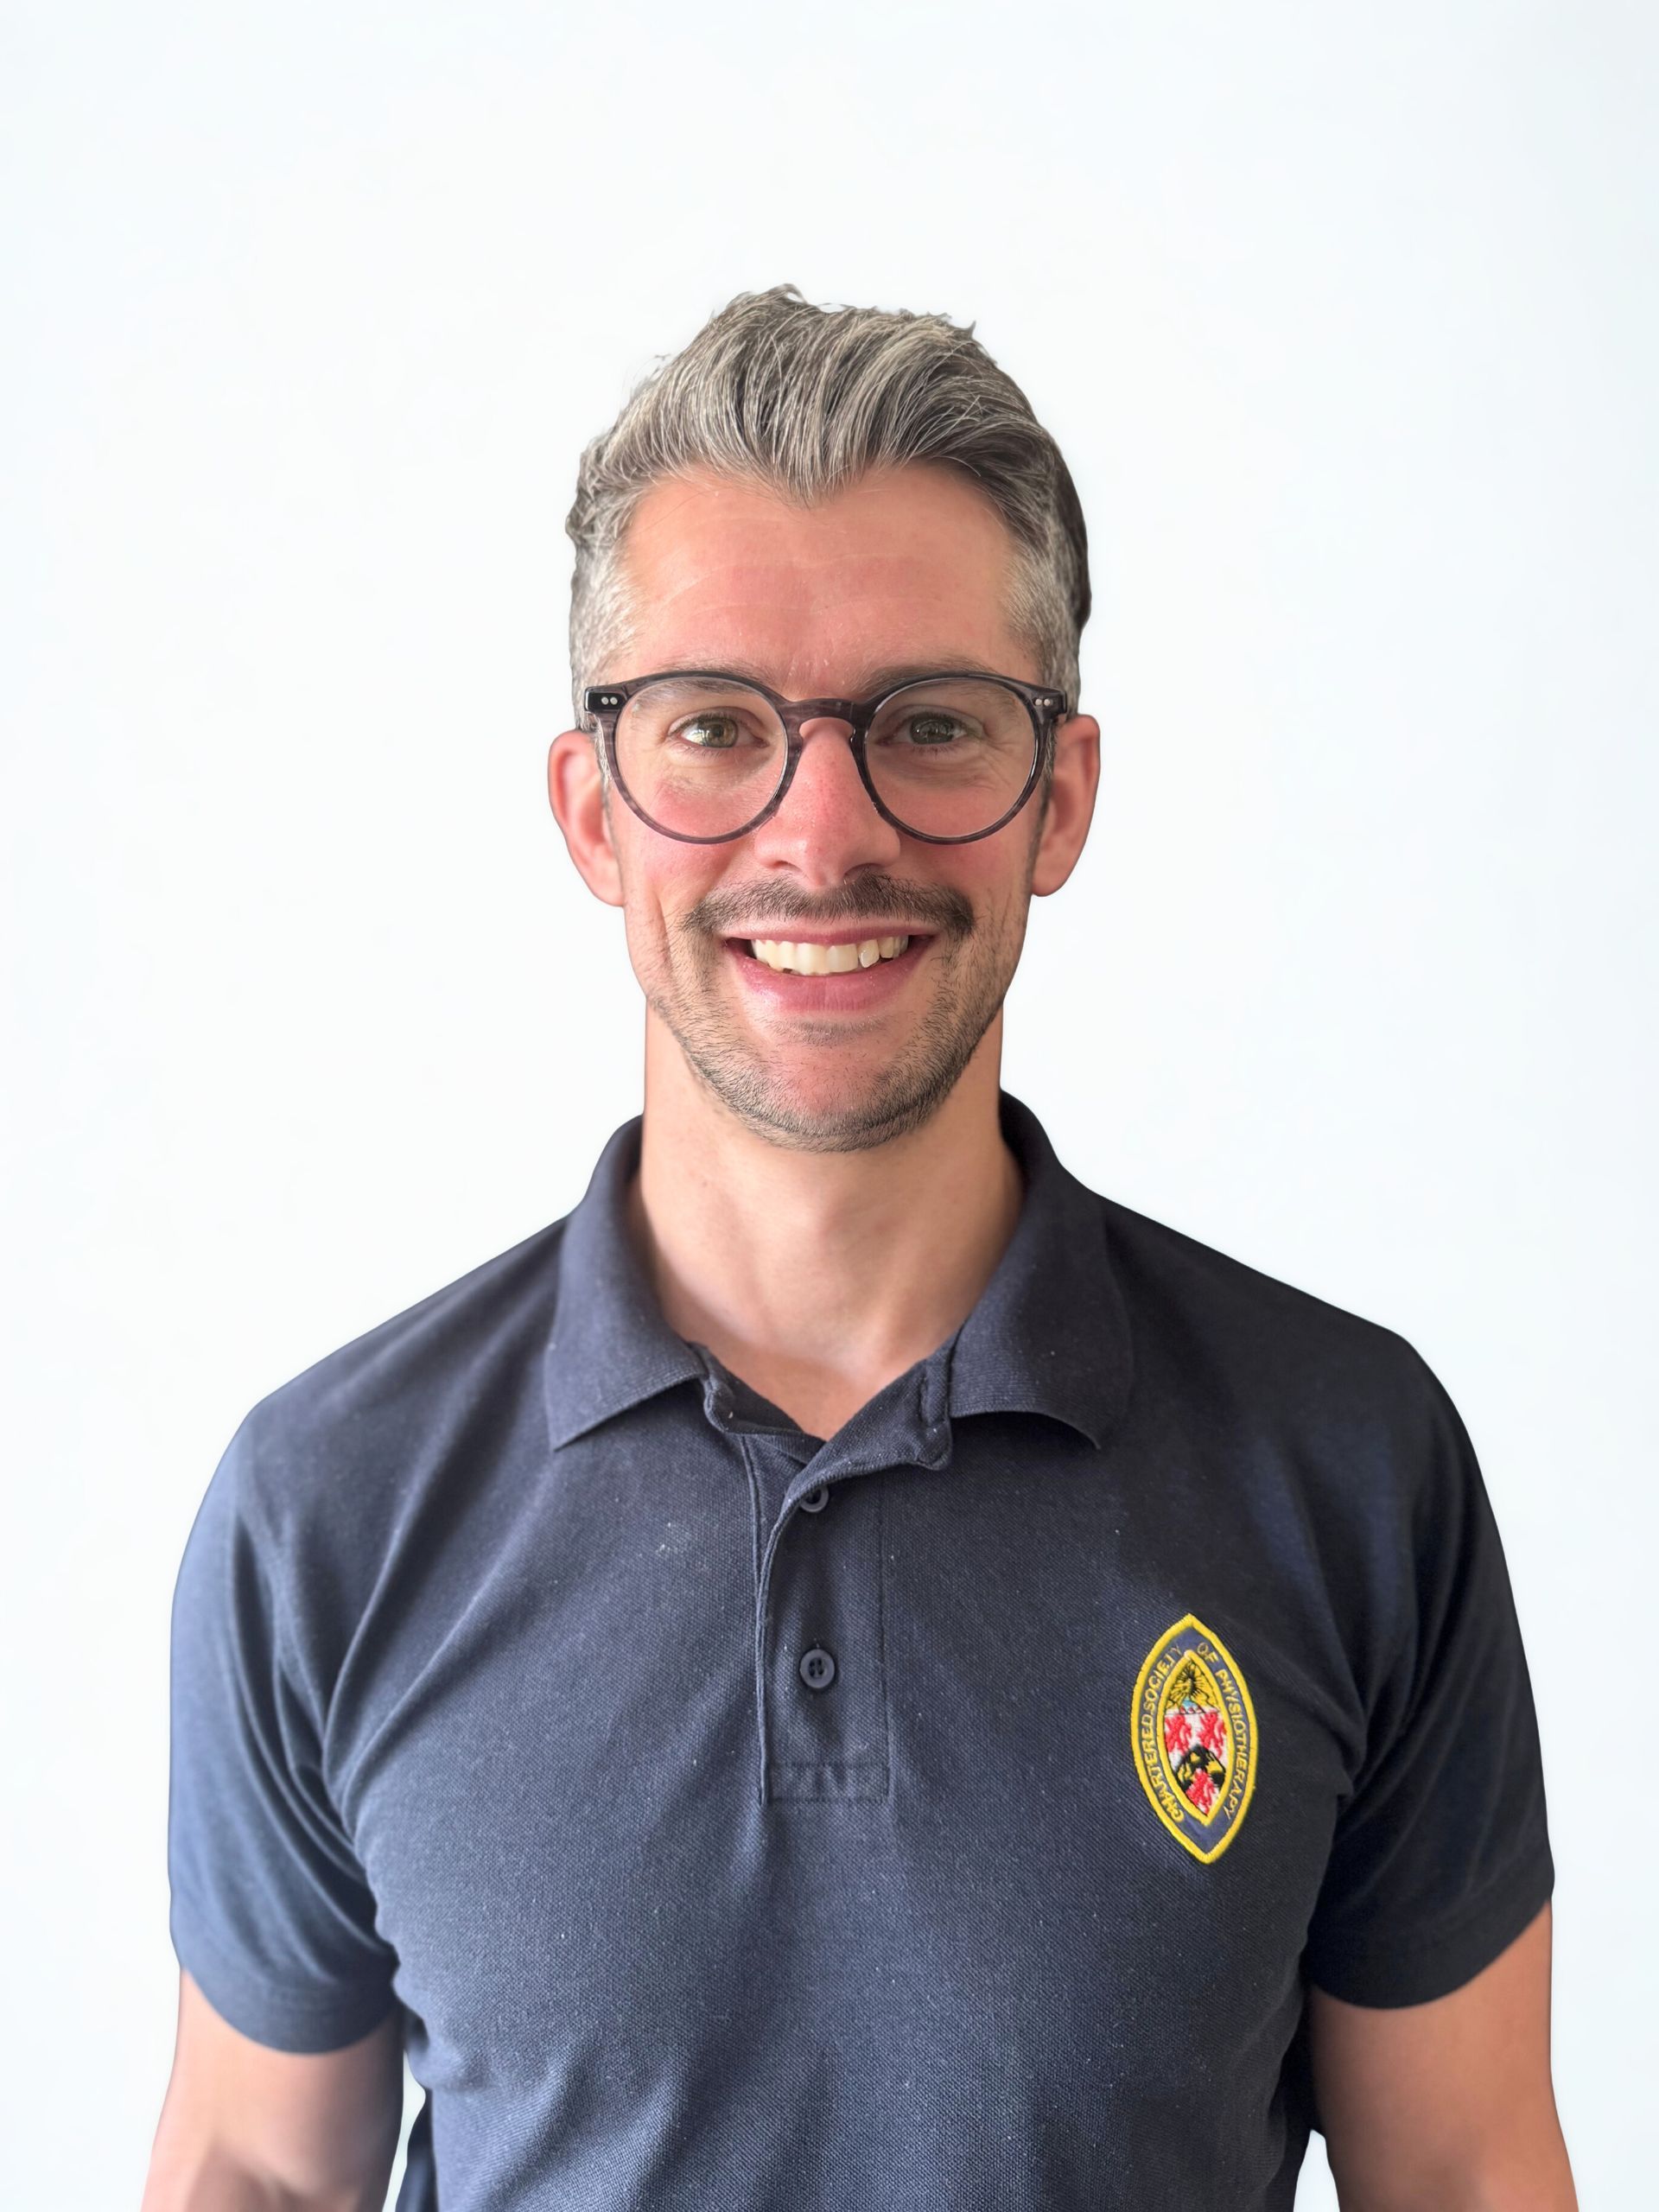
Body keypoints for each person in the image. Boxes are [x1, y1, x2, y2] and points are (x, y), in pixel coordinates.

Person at [143, 283, 1576, 2212]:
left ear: (1060, 798)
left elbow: (1470, 2169)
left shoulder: (1348, 1466)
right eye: (715, 728)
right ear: (592, 811)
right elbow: (254, 2166)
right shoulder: (331, 1505)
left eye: (933, 726)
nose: (822, 838)